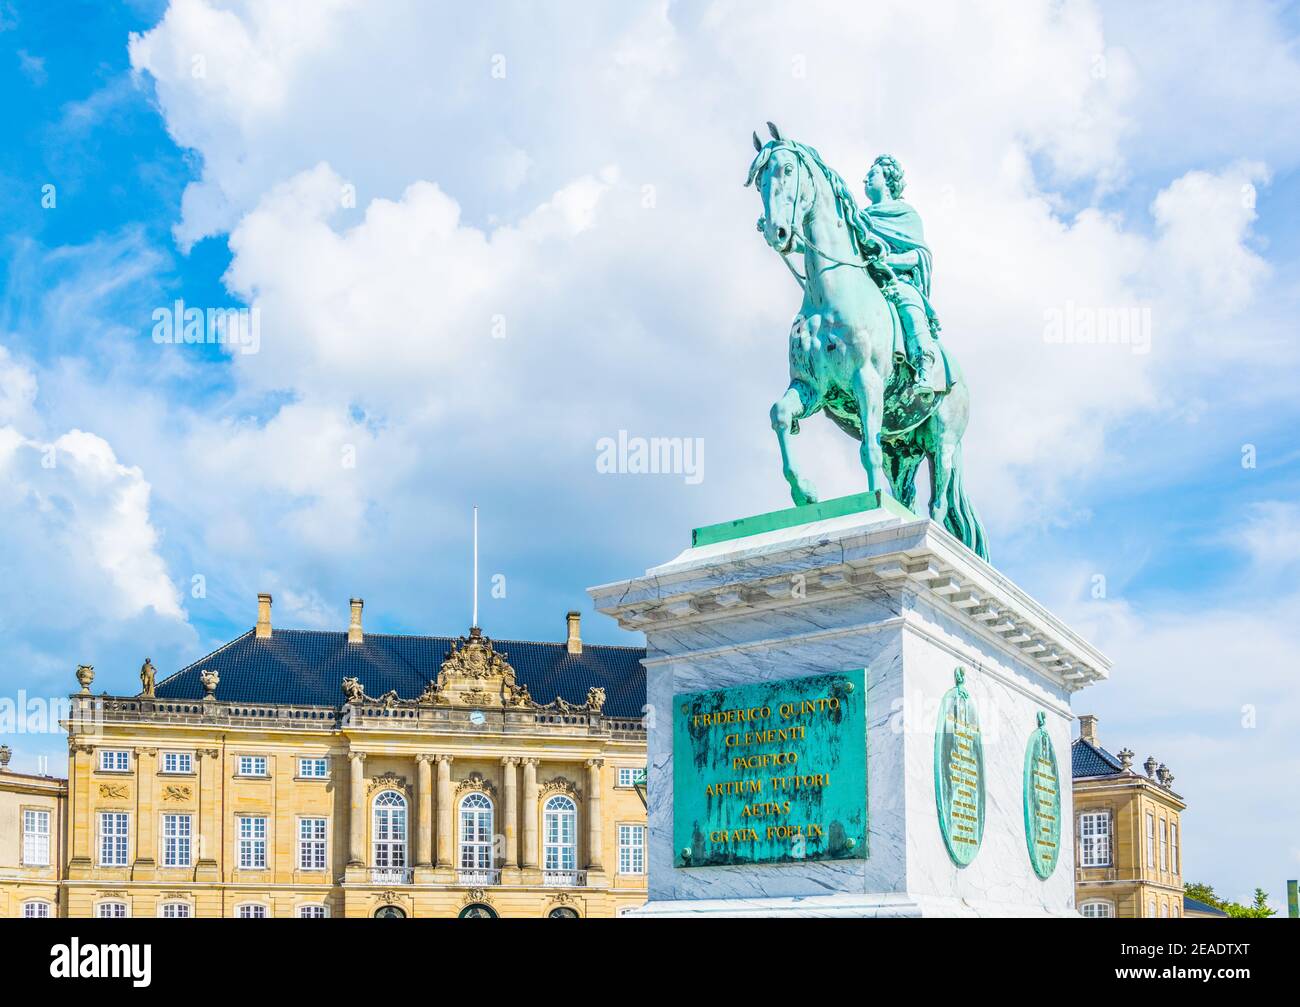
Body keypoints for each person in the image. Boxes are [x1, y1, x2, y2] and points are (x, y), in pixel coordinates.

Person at [859, 155, 942, 397]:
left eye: (872, 174)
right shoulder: (860, 218)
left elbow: (919, 254)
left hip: (897, 282)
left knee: (908, 305)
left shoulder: (906, 214)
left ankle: (924, 366)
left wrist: (890, 261)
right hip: (864, 279)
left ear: (887, 180)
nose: (865, 179)